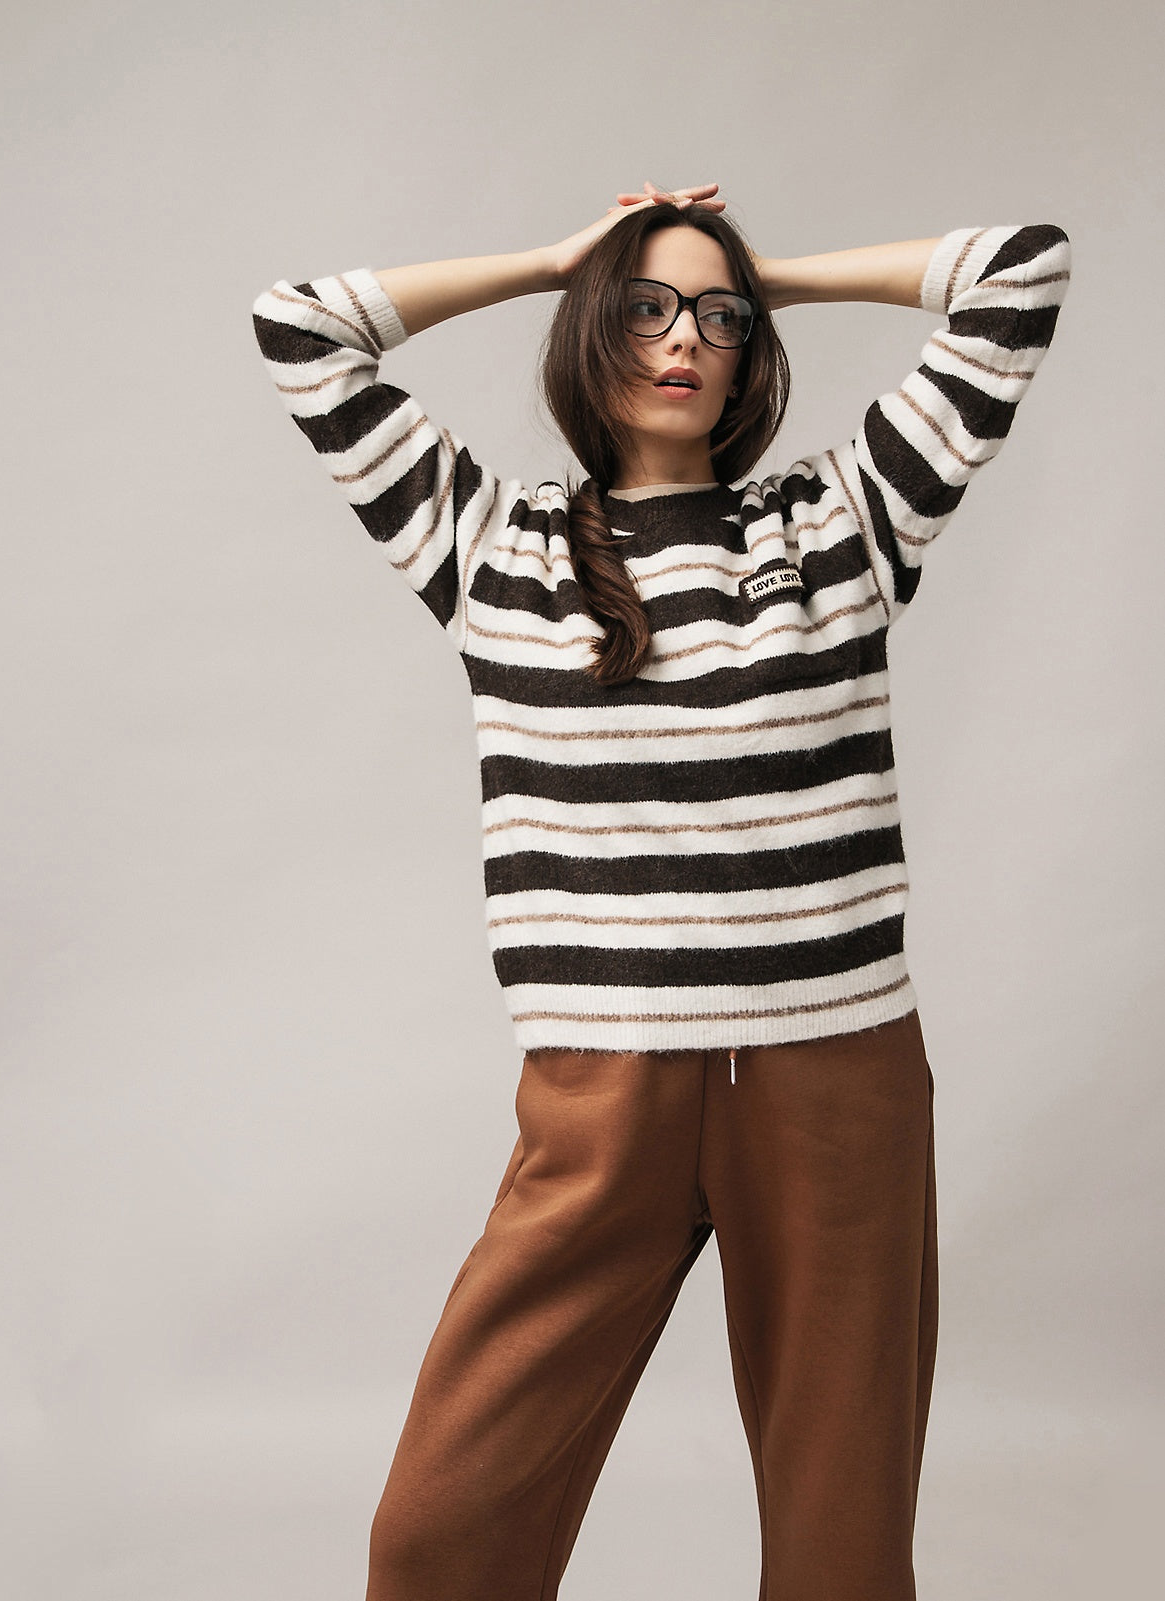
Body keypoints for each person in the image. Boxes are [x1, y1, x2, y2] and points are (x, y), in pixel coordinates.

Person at [251, 183, 1070, 1601]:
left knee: (840, 1537)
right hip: (602, 1084)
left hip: (833, 1078)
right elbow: (300, 328)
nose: (682, 337)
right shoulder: (490, 549)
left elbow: (1018, 273)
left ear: (750, 352)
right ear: (592, 329)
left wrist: (770, 276)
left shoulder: (842, 521)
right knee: (441, 1531)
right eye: (643, 309)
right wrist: (554, 263)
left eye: (715, 318)